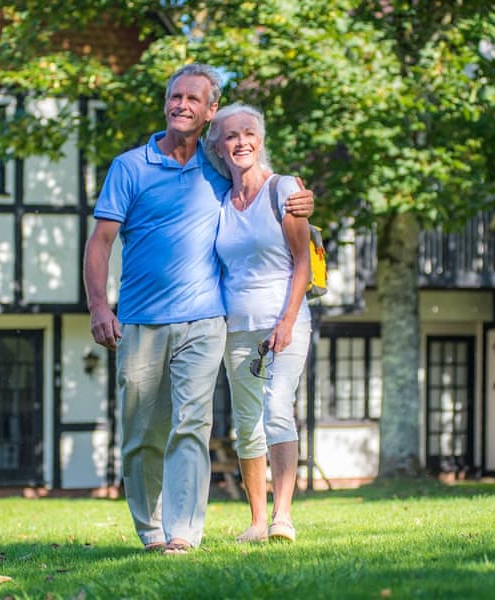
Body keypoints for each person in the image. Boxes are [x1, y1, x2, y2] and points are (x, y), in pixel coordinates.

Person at [83, 64, 313, 554]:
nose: (181, 105)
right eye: (175, 97)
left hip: (207, 320)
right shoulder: (130, 167)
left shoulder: (216, 168)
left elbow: (263, 180)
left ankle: (184, 532)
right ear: (166, 103)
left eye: (193, 99)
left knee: (192, 425)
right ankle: (150, 529)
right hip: (141, 321)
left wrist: (300, 198)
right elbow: (100, 242)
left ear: (209, 111)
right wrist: (99, 305)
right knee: (143, 432)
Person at [204, 103, 311, 543]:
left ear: (261, 140)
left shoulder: (282, 190)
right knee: (246, 423)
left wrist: (286, 320)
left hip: (283, 321)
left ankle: (282, 516)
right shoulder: (219, 202)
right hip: (236, 326)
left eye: (249, 133)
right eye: (231, 135)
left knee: (277, 409)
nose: (241, 141)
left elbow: (302, 261)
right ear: (219, 146)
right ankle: (255, 521)